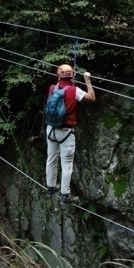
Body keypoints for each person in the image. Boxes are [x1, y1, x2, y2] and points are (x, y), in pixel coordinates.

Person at [45, 64, 95, 204]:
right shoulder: (75, 90)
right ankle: (65, 195)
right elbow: (91, 98)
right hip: (66, 132)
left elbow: (58, 89)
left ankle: (51, 186)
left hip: (51, 130)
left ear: (59, 75)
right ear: (72, 76)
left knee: (51, 158)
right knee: (66, 164)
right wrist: (87, 80)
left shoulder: (52, 88)